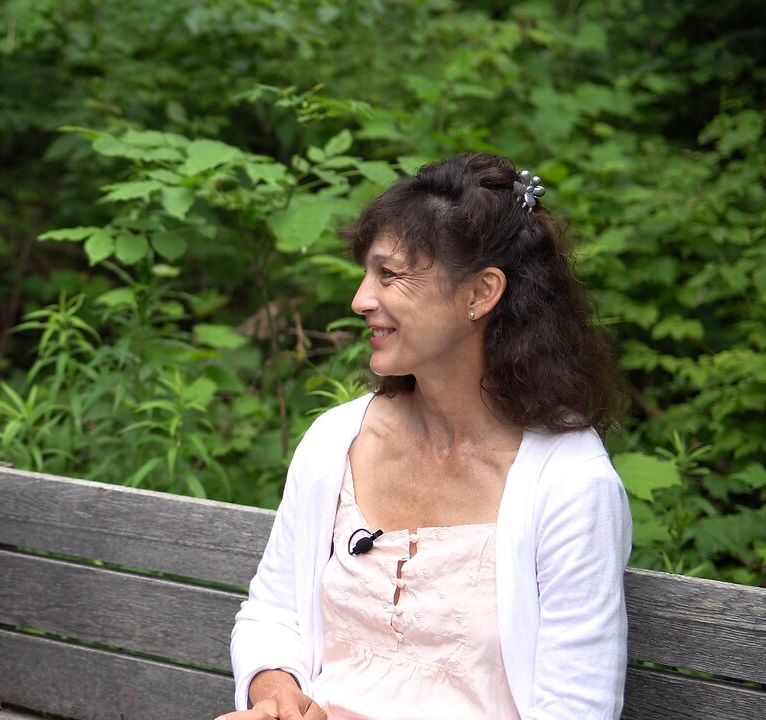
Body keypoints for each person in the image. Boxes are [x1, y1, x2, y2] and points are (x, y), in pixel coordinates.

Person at [222, 154, 631, 720]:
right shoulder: (336, 441)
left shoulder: (570, 485)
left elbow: (576, 710)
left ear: (480, 294)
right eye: (367, 273)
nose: (360, 299)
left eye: (390, 275)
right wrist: (276, 694)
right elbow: (273, 614)